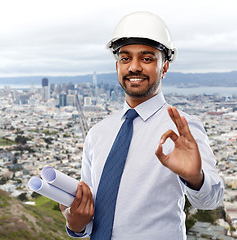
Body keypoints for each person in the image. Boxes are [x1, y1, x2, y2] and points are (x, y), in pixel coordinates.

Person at [60, 11, 224, 239]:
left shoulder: (182, 129)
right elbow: (90, 218)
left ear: (164, 67)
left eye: (147, 58)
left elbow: (211, 199)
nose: (134, 67)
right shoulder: (98, 134)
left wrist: (195, 178)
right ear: (117, 66)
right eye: (125, 58)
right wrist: (75, 224)